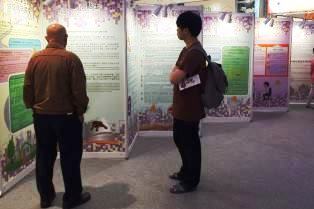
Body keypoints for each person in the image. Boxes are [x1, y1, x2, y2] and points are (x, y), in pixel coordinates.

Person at [23, 23, 90, 209]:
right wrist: (80, 110)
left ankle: (46, 197)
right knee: (70, 157)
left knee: (44, 156)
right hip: (67, 117)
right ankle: (72, 198)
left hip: (41, 116)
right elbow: (78, 90)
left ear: (47, 39)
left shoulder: (35, 59)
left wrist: (32, 106)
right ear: (65, 38)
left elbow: (27, 87)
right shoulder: (71, 58)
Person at [168, 11, 206, 194]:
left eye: (179, 28)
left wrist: (175, 72)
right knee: (180, 138)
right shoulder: (187, 50)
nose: (177, 31)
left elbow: (174, 77)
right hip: (182, 104)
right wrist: (175, 72)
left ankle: (191, 180)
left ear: (186, 30)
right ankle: (185, 171)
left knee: (190, 142)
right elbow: (175, 73)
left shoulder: (194, 53)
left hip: (190, 106)